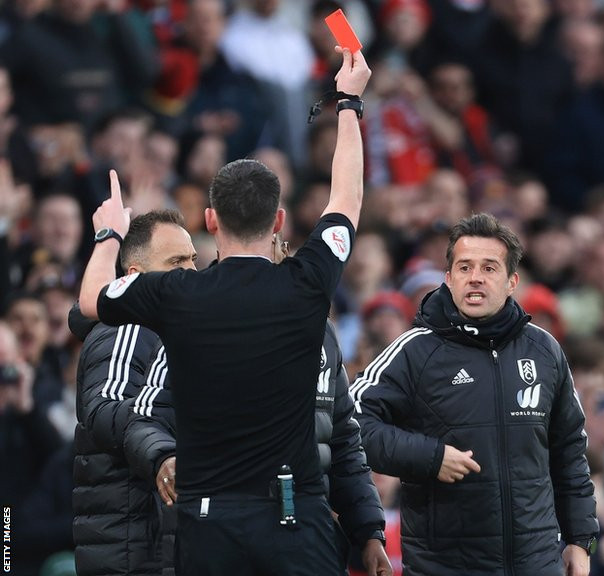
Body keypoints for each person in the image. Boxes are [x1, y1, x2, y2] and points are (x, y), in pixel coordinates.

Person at [77, 49, 377, 576]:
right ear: (280, 219)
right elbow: (347, 197)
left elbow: (90, 300)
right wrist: (348, 101)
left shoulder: (175, 292)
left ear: (210, 220)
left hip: (208, 524)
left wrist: (109, 233)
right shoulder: (308, 281)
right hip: (295, 520)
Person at [122, 233, 392, 576]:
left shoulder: (321, 333)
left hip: (306, 528)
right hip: (220, 527)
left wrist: (369, 532)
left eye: (280, 249)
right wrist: (163, 454)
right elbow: (145, 419)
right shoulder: (194, 321)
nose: (276, 258)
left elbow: (342, 442)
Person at [351, 213, 599, 576]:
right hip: (446, 565)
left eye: (489, 267)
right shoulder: (415, 351)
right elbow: (350, 423)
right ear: (448, 279)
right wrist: (429, 457)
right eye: (464, 267)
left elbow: (570, 451)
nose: (475, 277)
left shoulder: (544, 350)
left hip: (538, 563)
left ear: (512, 281)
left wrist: (581, 539)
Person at [69, 209, 197, 576]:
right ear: (134, 277)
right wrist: (162, 449)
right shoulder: (129, 324)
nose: (190, 270)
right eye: (175, 261)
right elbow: (104, 408)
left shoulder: (170, 330)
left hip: (158, 542)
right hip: (133, 547)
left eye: (192, 259)